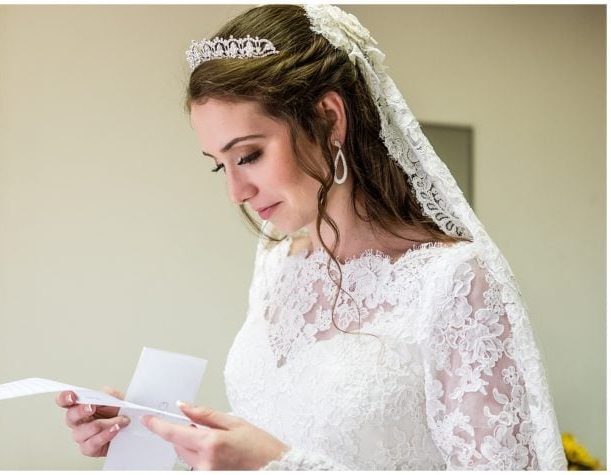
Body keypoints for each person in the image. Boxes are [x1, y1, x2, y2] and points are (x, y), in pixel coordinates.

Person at [56, 5, 566, 470]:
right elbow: (285, 428)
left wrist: (283, 466)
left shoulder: (452, 281)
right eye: (220, 167)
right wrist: (155, 434)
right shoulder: (278, 263)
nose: (236, 191)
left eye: (249, 154)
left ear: (328, 118)